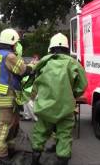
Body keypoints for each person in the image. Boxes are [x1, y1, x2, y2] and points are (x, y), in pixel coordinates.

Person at [30, 33, 87, 165]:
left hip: (45, 107)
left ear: (51, 48)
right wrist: (72, 94)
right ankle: (62, 160)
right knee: (64, 136)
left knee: (40, 134)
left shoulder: (42, 62)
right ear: (67, 48)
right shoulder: (74, 64)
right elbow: (82, 85)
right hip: (66, 108)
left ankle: (35, 161)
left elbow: (34, 83)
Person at [0, 29, 32, 164]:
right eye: (16, 42)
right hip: (7, 95)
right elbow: (23, 70)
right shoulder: (10, 56)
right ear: (12, 42)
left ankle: (10, 148)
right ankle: (1, 154)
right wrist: (33, 65)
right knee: (6, 125)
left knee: (13, 123)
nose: (16, 45)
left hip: (2, 94)